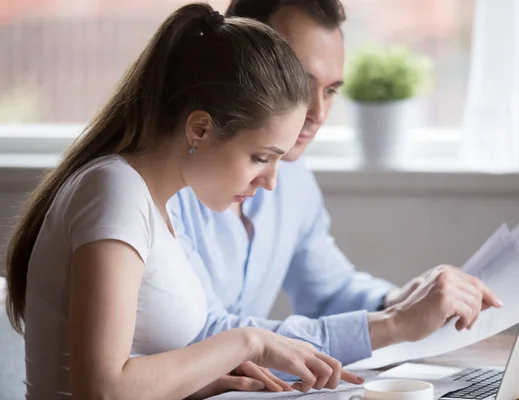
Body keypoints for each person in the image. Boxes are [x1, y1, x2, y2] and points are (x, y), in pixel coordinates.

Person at [3, 4, 363, 399]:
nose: (271, 181)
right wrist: (248, 342)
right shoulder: (114, 192)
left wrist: (204, 382)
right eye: (260, 157)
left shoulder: (157, 202)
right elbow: (102, 390)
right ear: (200, 129)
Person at [168, 0, 503, 378]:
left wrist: (399, 300)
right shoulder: (165, 184)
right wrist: (393, 324)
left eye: (330, 91)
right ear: (240, 58)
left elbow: (327, 291)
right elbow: (202, 335)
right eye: (297, 82)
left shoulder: (292, 176)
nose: (318, 113)